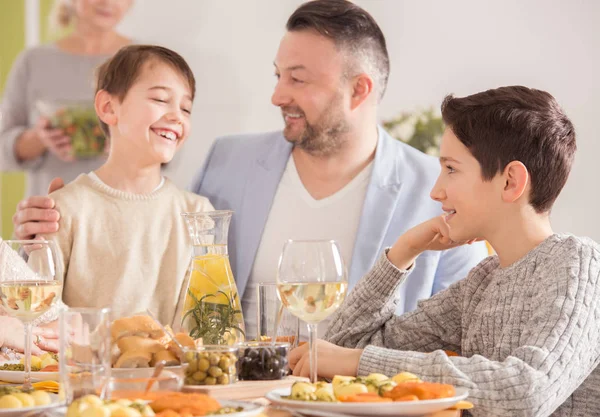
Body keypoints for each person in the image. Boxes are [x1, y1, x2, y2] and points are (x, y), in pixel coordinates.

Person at [12, 0, 488, 337]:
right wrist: (51, 224)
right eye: (277, 75)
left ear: (359, 90)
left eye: (297, 79)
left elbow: (463, 329)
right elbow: (148, 232)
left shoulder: (436, 187)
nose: (277, 95)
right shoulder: (228, 162)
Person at [289, 86, 600, 416]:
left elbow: (525, 392)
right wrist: (402, 253)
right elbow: (338, 351)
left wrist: (357, 362)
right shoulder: (480, 283)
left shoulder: (579, 266)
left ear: (510, 181)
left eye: (451, 169)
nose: (436, 191)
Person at [38, 44, 212, 326]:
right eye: (159, 99)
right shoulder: (63, 209)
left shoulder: (198, 213)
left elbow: (201, 329)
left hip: (172, 370)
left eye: (186, 108)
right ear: (108, 108)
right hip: (82, 369)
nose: (177, 116)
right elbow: (39, 318)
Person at [0, 0, 132, 198]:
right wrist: (40, 138)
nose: (107, 2)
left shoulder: (148, 62)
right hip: (48, 215)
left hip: (124, 213)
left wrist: (129, 143)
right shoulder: (33, 61)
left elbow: (170, 148)